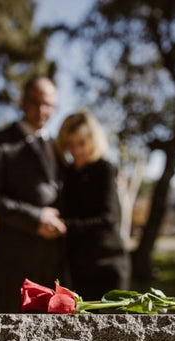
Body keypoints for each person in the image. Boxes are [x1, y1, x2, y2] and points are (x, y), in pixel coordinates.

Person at [0, 76, 66, 312]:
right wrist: (36, 217)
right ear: (22, 102)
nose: (42, 110)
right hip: (13, 261)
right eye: (35, 102)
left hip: (57, 260)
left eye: (48, 104)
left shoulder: (59, 147)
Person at [56, 111, 130, 300]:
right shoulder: (67, 173)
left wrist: (66, 226)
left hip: (107, 263)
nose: (76, 151)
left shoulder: (104, 169)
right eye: (70, 145)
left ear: (93, 141)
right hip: (76, 267)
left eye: (81, 144)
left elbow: (108, 218)